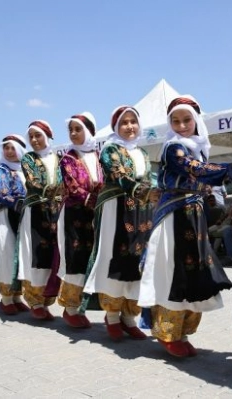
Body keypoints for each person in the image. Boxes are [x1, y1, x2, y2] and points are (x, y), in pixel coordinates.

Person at [139, 95, 232, 358]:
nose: (182, 125)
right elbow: (192, 168)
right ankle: (167, 332)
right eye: (176, 121)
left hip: (194, 213)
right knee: (174, 270)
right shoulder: (174, 148)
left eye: (187, 120)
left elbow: (202, 172)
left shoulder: (199, 147)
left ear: (196, 121)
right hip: (175, 213)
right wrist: (230, 170)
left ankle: (181, 331)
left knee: (195, 270)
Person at [83, 106, 155, 341]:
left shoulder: (143, 153)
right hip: (117, 209)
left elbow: (148, 178)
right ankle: (112, 316)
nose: (130, 126)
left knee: (136, 262)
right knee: (115, 257)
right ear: (116, 126)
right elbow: (119, 175)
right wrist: (144, 191)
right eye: (124, 122)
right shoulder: (110, 149)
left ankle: (129, 317)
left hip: (141, 213)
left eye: (133, 121)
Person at [57, 112, 104, 328]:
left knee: (92, 258)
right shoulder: (68, 158)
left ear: (89, 132)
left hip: (96, 215)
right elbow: (73, 187)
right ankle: (70, 308)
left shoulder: (98, 156)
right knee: (75, 258)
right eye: (71, 130)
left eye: (79, 129)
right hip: (75, 215)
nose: (74, 133)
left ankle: (85, 306)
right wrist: (95, 201)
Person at [17, 120, 63, 321]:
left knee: (53, 255)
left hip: (56, 213)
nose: (34, 140)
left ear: (48, 136)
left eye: (38, 135)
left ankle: (46, 300)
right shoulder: (28, 159)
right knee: (35, 255)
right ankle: (34, 301)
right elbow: (35, 182)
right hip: (36, 212)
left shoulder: (59, 158)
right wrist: (58, 192)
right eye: (31, 137)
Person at [0, 134, 30, 315]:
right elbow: (4, 193)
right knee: (6, 254)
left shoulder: (25, 169)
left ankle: (17, 296)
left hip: (22, 215)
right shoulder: (0, 170)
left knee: (19, 255)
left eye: (13, 148)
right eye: (6, 148)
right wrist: (21, 202)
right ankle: (6, 299)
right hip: (5, 216)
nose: (9, 152)